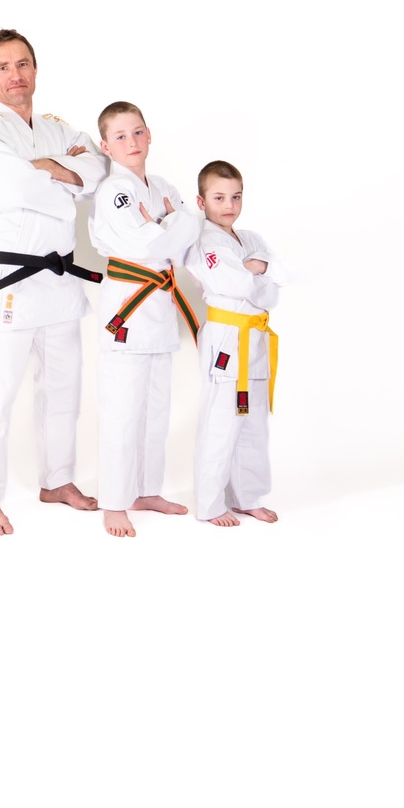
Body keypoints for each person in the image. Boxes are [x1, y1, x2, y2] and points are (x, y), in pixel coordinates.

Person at [0, 28, 106, 535]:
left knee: (63, 388)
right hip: (12, 280)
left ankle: (57, 480)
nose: (15, 75)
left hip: (60, 278)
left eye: (23, 64)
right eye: (3, 67)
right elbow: (16, 187)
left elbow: (100, 167)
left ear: (36, 69)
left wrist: (47, 168)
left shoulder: (59, 126)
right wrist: (68, 179)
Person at [89, 103, 203, 538]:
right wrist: (174, 223)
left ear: (149, 134)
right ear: (105, 146)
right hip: (129, 311)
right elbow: (146, 246)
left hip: (160, 308)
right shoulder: (113, 192)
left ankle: (146, 490)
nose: (132, 142)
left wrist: (167, 226)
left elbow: (181, 245)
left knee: (156, 409)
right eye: (120, 136)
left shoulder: (163, 186)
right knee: (122, 411)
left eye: (138, 132)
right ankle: (115, 502)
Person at [184, 161, 286, 527]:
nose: (229, 205)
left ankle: (248, 497)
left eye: (236, 196)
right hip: (227, 340)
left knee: (254, 423)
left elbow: (279, 281)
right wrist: (257, 273)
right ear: (201, 201)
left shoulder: (251, 239)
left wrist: (262, 269)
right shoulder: (204, 243)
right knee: (222, 421)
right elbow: (243, 286)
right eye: (219, 197)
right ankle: (210, 504)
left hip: (255, 338)